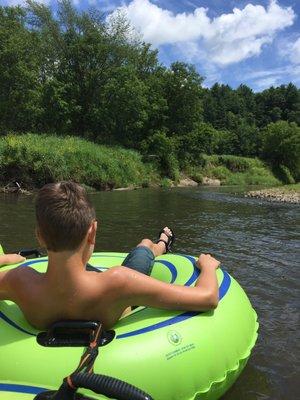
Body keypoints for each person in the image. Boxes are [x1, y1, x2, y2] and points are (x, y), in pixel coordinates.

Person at [0, 181, 220, 330]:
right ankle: (160, 244)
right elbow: (207, 298)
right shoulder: (121, 281)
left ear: (39, 236)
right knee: (143, 247)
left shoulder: (19, 281)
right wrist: (208, 266)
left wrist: (7, 258)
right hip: (112, 295)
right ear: (92, 232)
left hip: (75, 282)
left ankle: (160, 245)